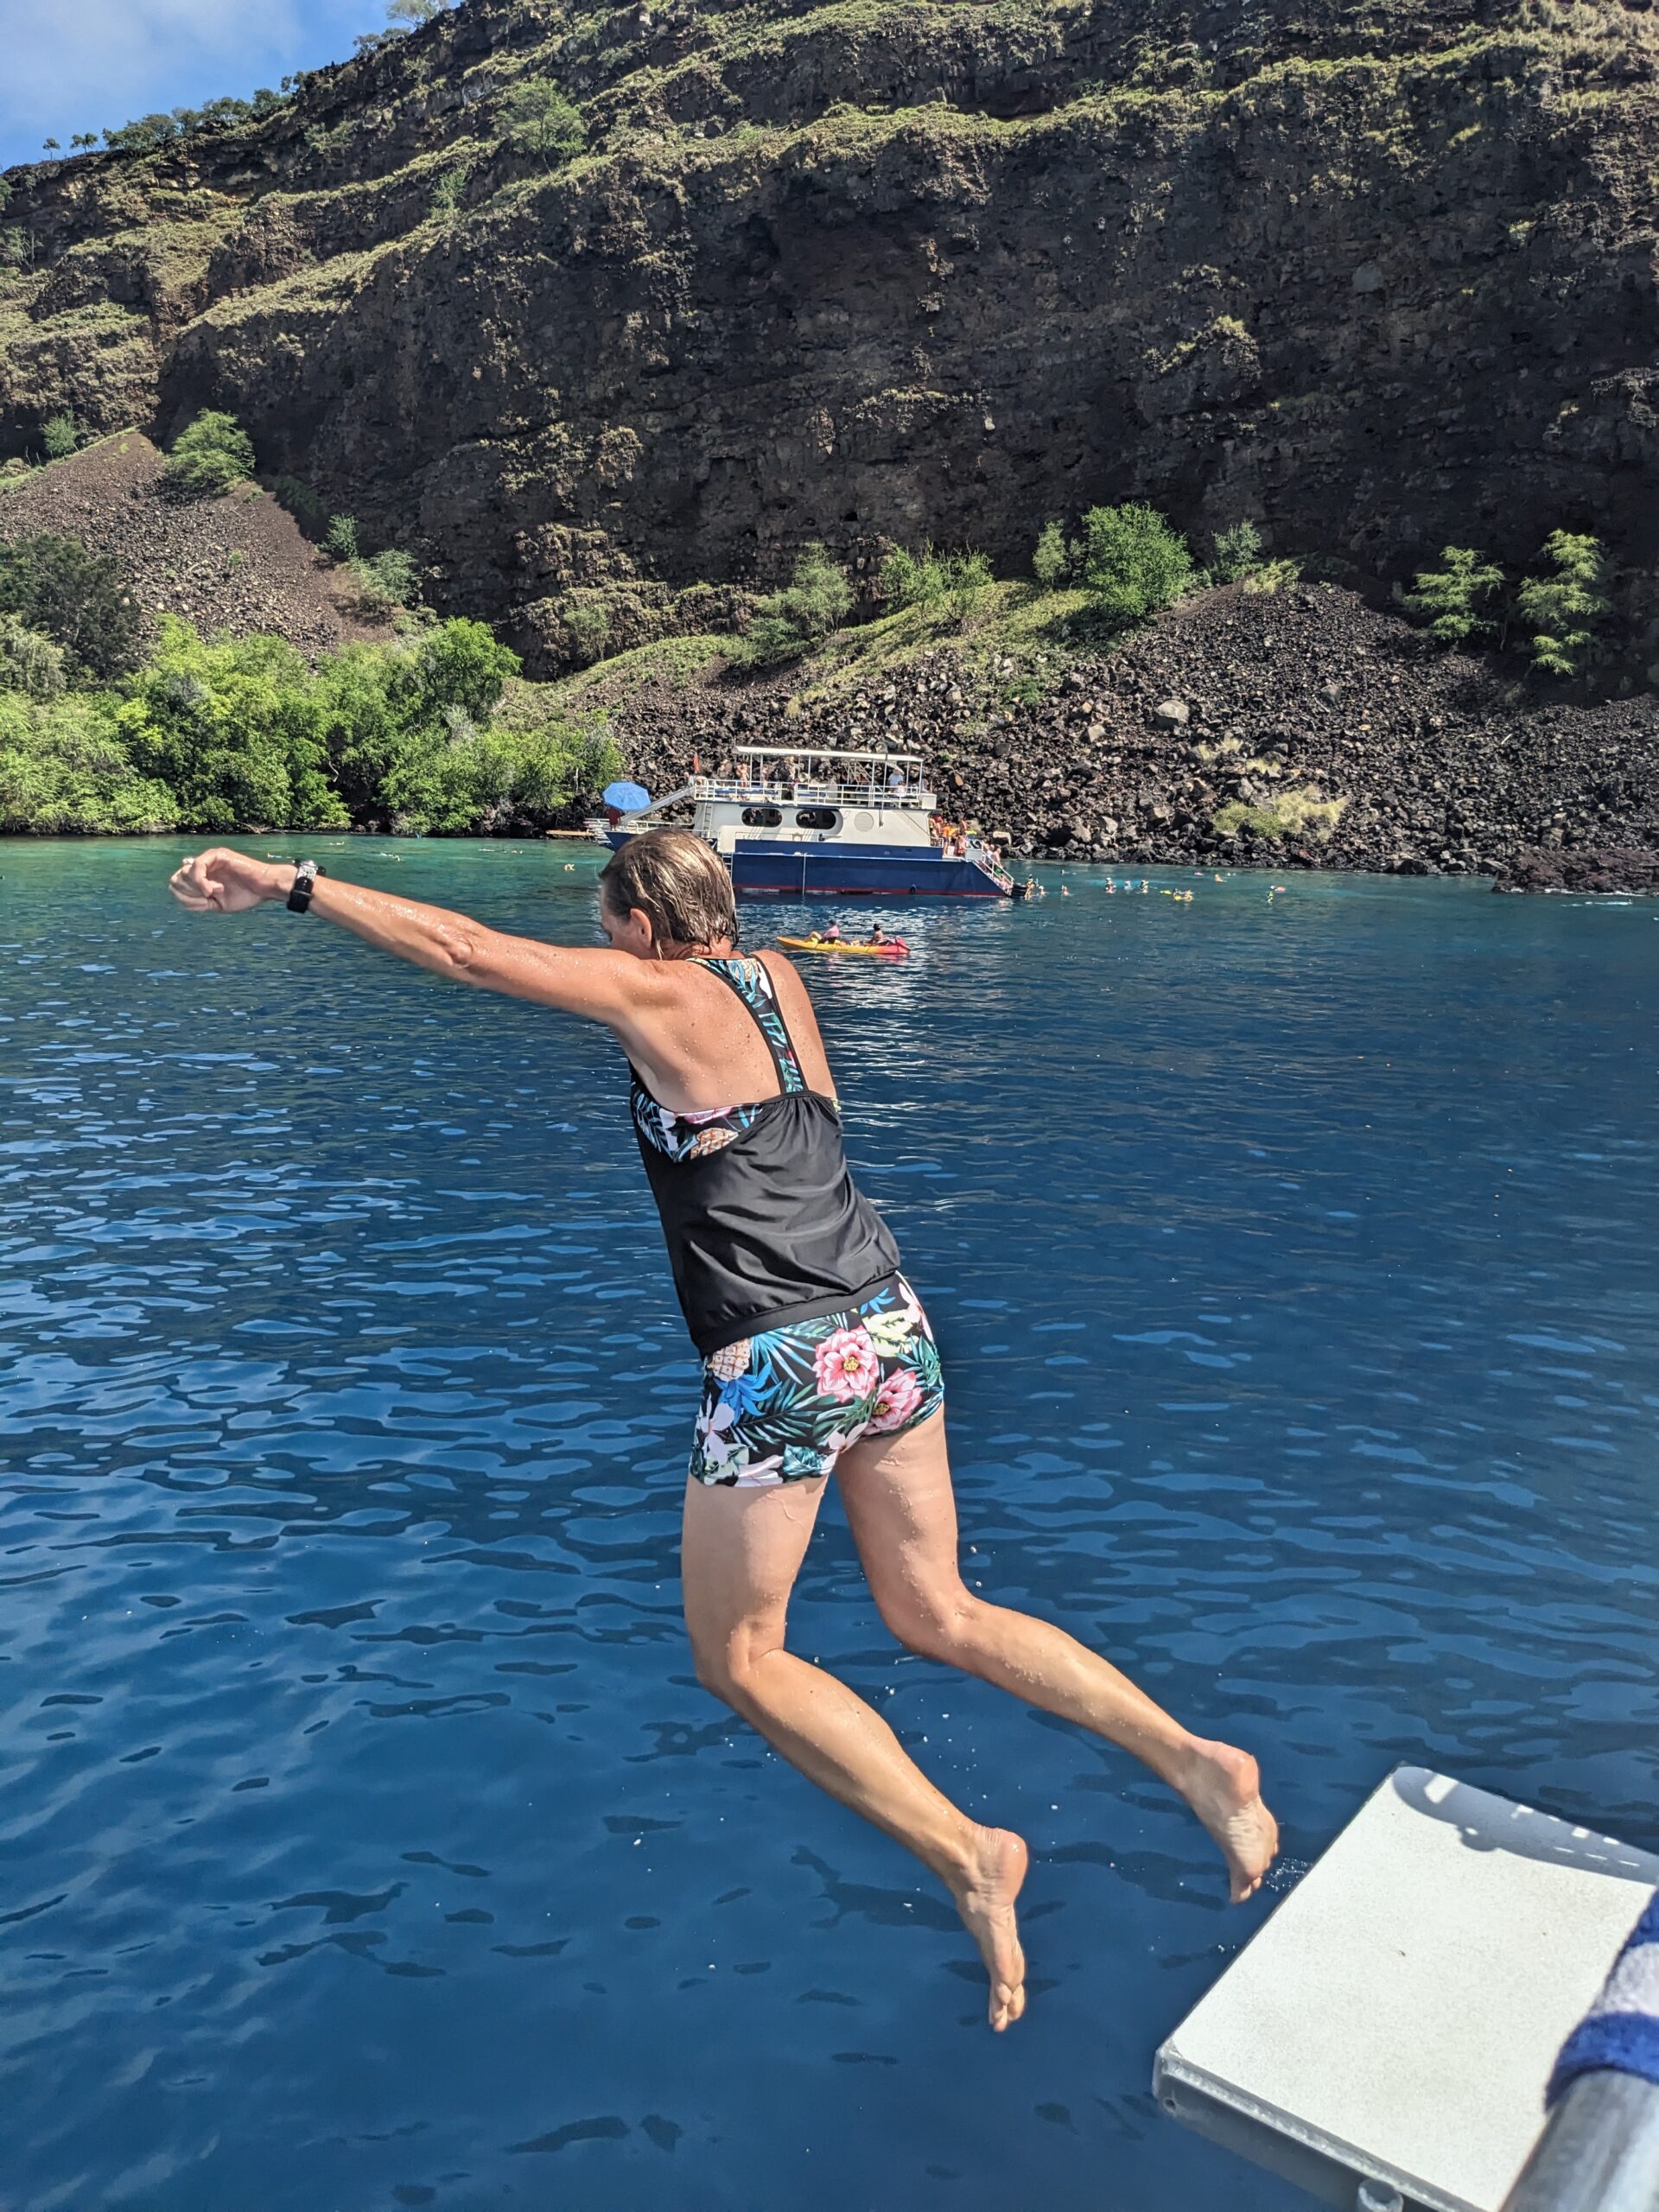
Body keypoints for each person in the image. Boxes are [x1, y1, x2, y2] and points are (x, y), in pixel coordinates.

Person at [166, 829, 1277, 2032]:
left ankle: (969, 1855)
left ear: (643, 927)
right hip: (889, 1322)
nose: (602, 944)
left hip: (785, 1357)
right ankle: (1196, 1760)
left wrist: (291, 884)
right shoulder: (780, 978)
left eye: (607, 924)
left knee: (741, 1658)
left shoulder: (657, 990)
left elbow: (467, 951)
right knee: (938, 1612)